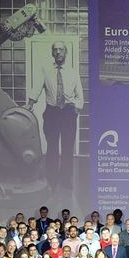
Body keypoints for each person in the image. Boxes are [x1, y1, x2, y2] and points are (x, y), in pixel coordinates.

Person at [26, 40, 84, 191]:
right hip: (52, 113)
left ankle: (66, 179)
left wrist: (76, 109)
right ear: (52, 53)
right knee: (52, 147)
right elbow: (37, 87)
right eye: (55, 49)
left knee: (67, 147)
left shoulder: (73, 72)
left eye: (61, 49)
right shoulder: (45, 70)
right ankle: (51, 178)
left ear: (66, 52)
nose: (58, 52)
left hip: (68, 113)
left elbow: (80, 95)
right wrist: (30, 104)